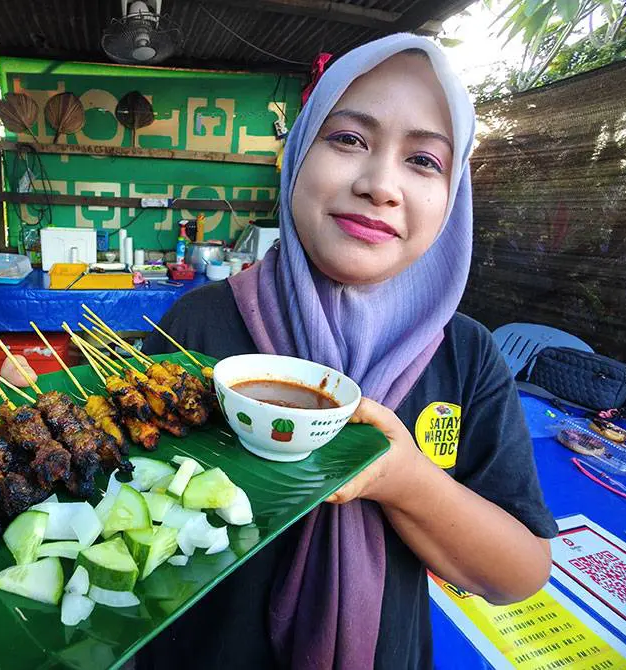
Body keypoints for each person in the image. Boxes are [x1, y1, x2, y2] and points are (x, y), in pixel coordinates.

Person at [131, 34, 557, 669]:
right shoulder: (199, 323)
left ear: (453, 198)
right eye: (349, 139)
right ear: (298, 154)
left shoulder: (465, 356)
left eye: (424, 161)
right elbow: (124, 507)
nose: (380, 185)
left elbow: (519, 573)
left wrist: (403, 479)